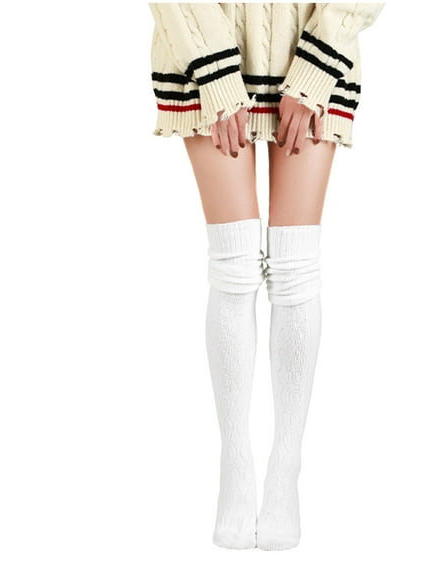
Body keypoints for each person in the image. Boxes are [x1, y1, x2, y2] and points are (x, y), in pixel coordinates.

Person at [148, 2, 385, 551]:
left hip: (313, 41)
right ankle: (235, 461)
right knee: (232, 265)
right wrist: (212, 69)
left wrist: (316, 69)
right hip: (201, 41)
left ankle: (285, 465)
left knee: (296, 266)